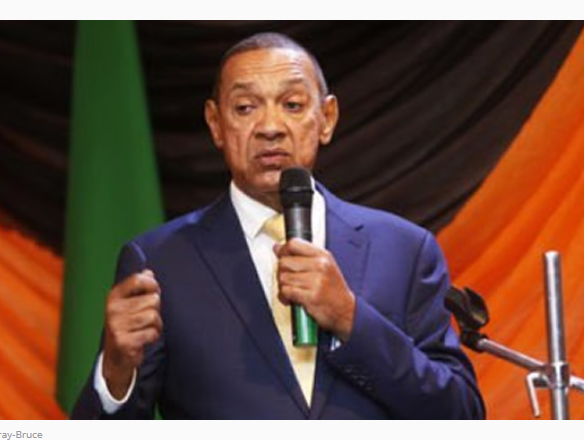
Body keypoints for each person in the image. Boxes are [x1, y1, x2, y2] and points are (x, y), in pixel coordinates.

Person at [72, 32, 485, 419]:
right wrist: (116, 372)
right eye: (245, 108)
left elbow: (461, 413)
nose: (270, 127)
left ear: (327, 118)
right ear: (216, 124)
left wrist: (351, 319)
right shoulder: (161, 262)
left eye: (292, 105)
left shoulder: (405, 250)